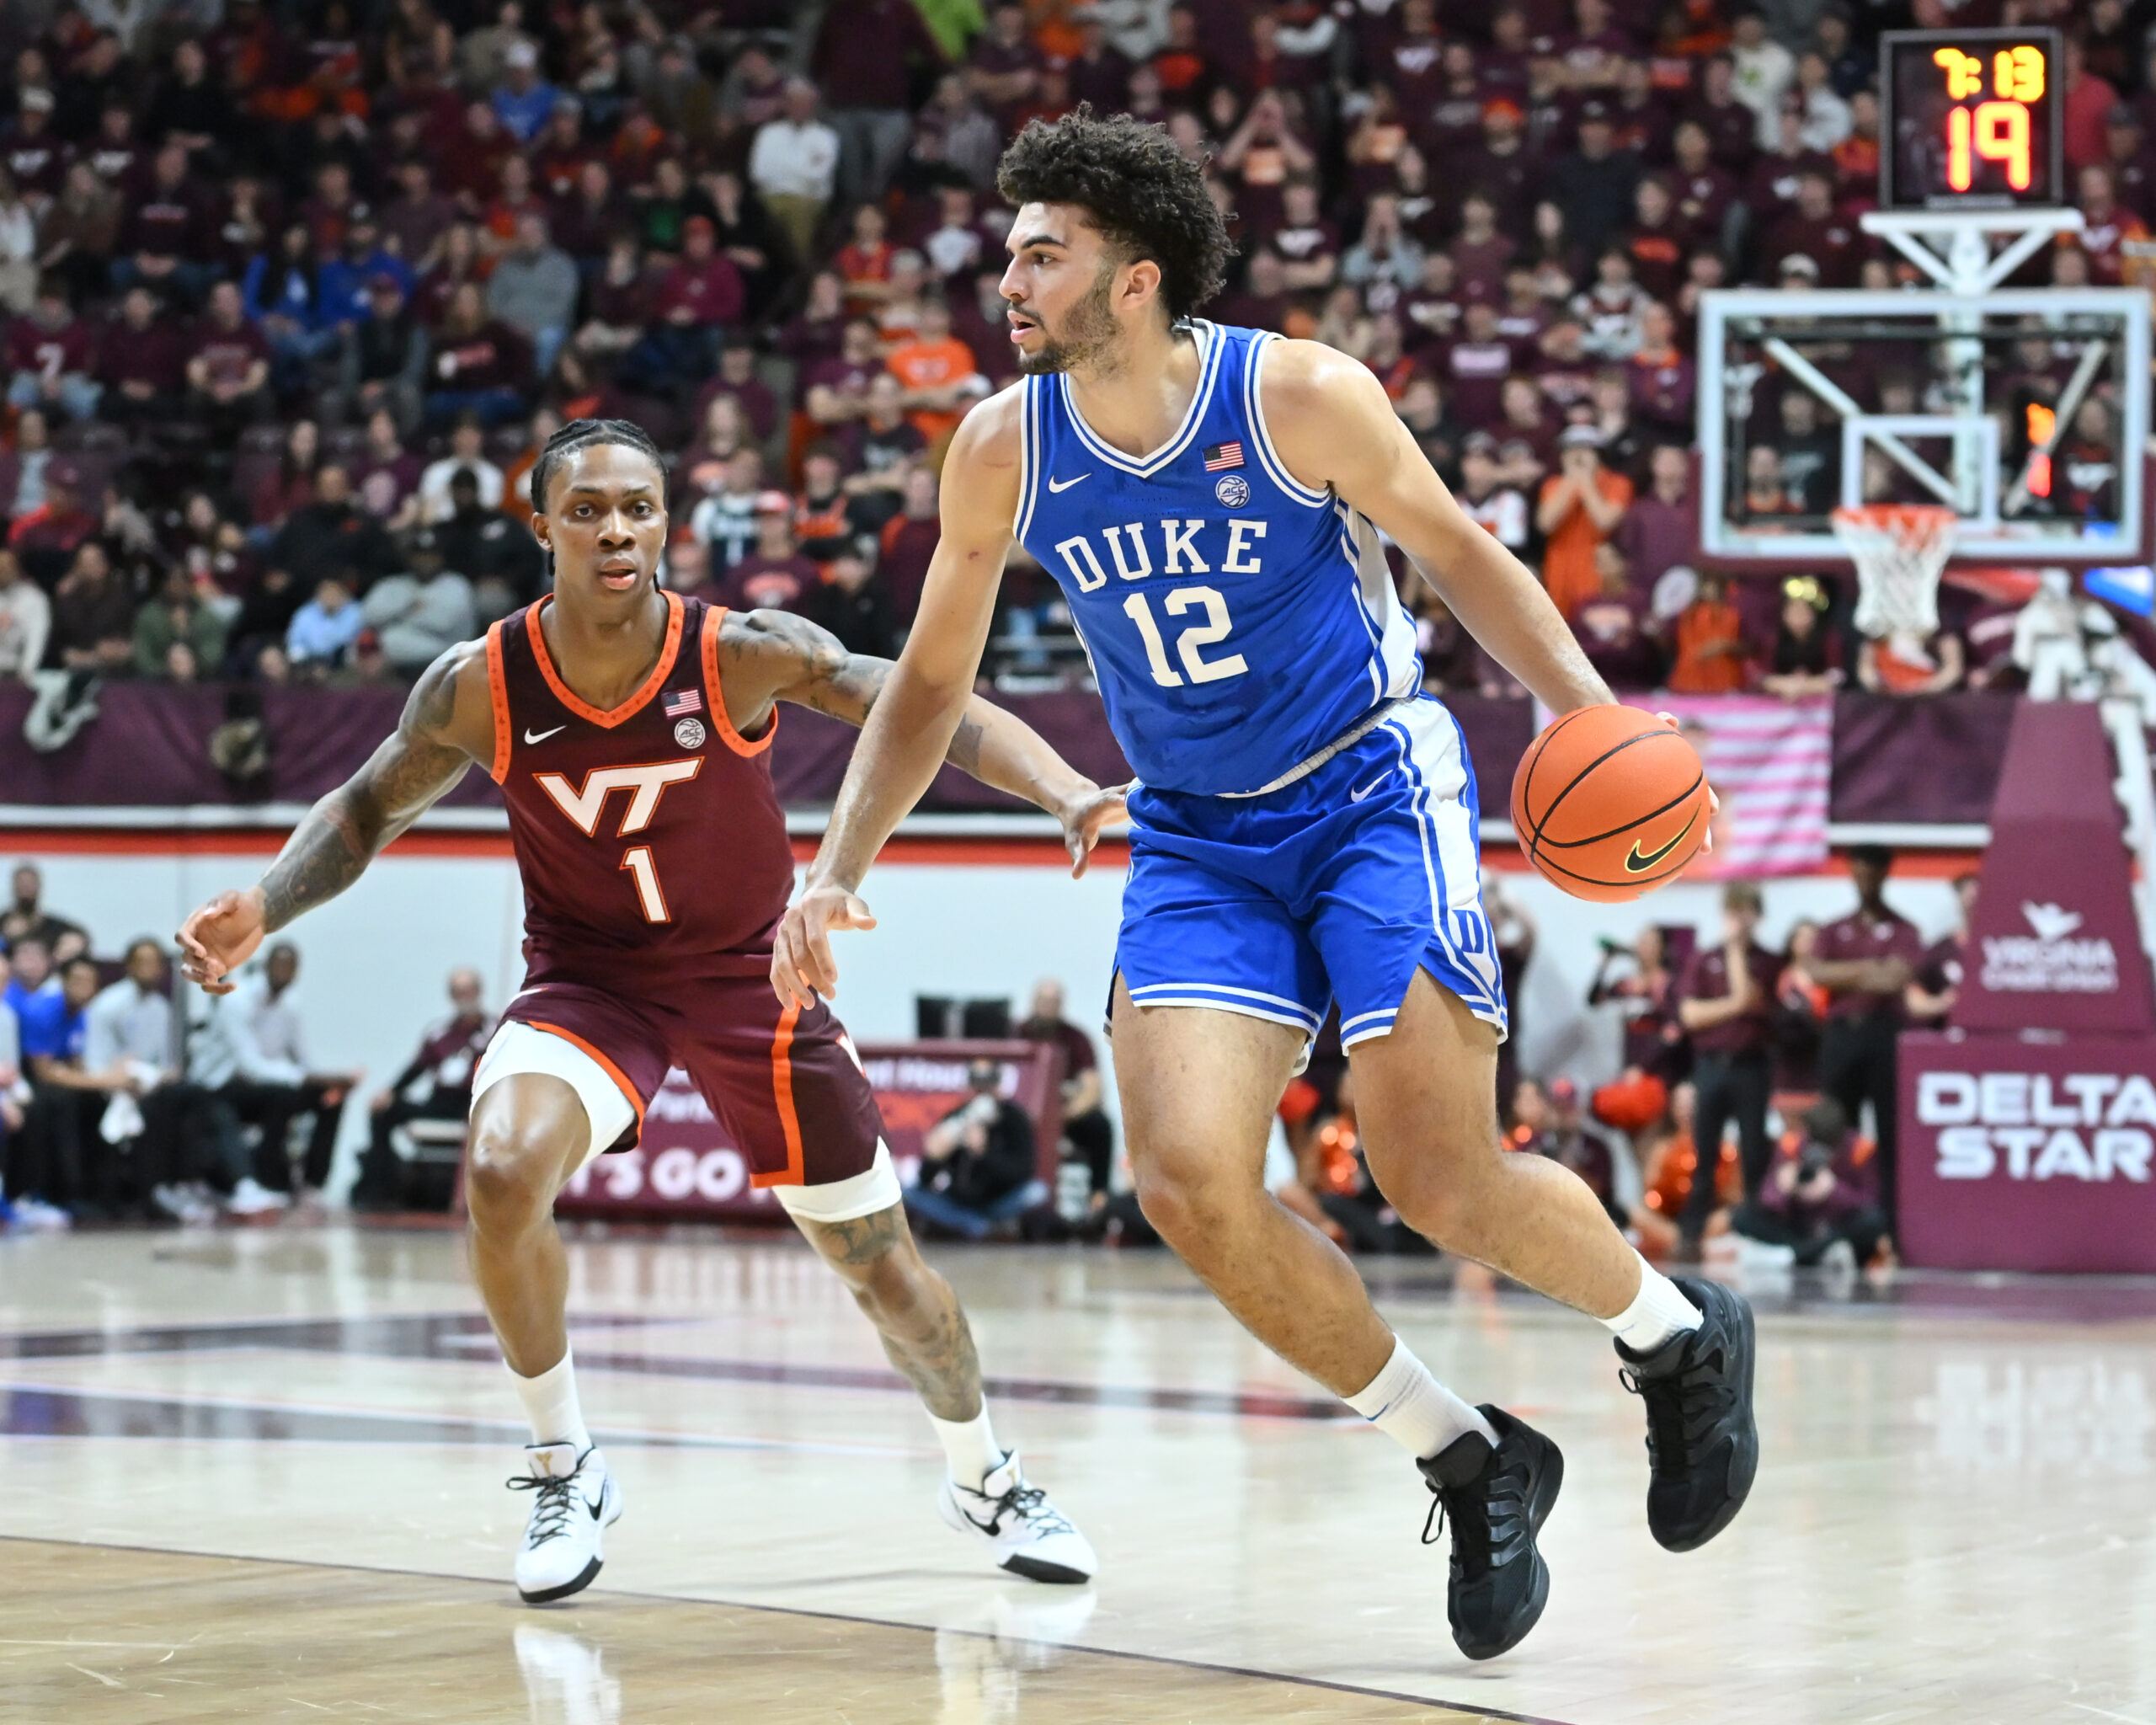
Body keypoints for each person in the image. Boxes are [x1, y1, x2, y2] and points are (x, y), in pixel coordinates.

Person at [771, 109, 1757, 1663]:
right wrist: (830, 869)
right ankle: (1467, 1451)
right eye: (1011, 246)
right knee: (1183, 1179)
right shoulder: (1002, 446)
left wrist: (1587, 706)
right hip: (1194, 831)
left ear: (1140, 277)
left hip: (1371, 786)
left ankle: (1677, 1334)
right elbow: (925, 685)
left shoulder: (1294, 392)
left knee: (1433, 1174)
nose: (1007, 276)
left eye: (1045, 252)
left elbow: (1460, 551)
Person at [176, 416, 1114, 1609]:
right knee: (505, 1168)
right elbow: (365, 810)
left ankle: (984, 1471)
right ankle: (563, 1462)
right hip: (589, 981)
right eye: (588, 510)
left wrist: (1064, 785)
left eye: (639, 508)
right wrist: (265, 902)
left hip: (750, 979)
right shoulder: (479, 682)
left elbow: (919, 701)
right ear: (543, 530)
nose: (616, 529)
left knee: (888, 1275)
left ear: (668, 523)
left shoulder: (739, 652)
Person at [1798, 844, 1922, 1236]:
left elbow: (1896, 979)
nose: (1865, 879)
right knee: (1831, 1127)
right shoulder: (1834, 928)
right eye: (1859, 871)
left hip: (1884, 1035)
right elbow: (1815, 973)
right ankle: (1830, 1218)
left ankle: (1889, 1226)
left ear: (1886, 873)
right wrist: (1869, 968)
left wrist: (1843, 973)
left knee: (1891, 1131)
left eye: (1872, 871)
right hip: (1841, 1036)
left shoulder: (1903, 929)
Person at [189, 942, 359, 1208]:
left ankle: (312, 1183)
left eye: (290, 967)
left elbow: (303, 1060)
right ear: (265, 965)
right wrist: (305, 1079)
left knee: (330, 1097)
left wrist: (334, 1080)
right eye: (279, 965)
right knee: (283, 1095)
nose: (284, 972)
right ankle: (257, 1181)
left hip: (268, 1088)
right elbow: (251, 1066)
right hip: (221, 1086)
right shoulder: (236, 1000)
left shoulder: (291, 1006)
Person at [1673, 883, 1779, 1262]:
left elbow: (1752, 998)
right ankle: (1692, 1232)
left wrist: (1736, 954)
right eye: (1734, 911)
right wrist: (1734, 1005)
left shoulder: (1767, 961)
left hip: (1750, 1065)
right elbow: (1689, 1014)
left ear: (1758, 915)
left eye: (1747, 910)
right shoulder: (1704, 959)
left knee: (1753, 1150)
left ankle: (1754, 1227)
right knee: (1705, 1152)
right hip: (1711, 1065)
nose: (1740, 919)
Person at [355, 965, 495, 1210]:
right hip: (439, 1103)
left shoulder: (496, 1031)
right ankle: (381, 1189)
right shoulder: (439, 1033)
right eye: (458, 992)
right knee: (382, 1113)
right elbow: (416, 1068)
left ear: (479, 992)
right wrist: (389, 1092)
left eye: (469, 990)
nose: (465, 997)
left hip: (472, 1107)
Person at [1726, 1098, 1888, 1270]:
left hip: (1837, 1227)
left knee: (1874, 1221)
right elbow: (1766, 1200)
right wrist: (1784, 1189)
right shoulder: (1792, 1146)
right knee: (1742, 1217)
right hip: (1798, 1226)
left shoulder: (1859, 1149)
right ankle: (1815, 1253)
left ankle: (1796, 1255)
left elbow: (1870, 1202)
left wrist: (1834, 1191)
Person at [904, 1056, 1044, 1239]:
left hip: (999, 1200)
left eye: (987, 1086)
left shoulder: (1014, 1118)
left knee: (1035, 1192)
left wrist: (983, 1154)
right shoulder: (956, 1118)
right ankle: (977, 1227)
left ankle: (976, 1227)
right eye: (977, 1087)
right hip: (960, 1202)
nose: (982, 1094)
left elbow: (1023, 1172)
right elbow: (925, 1181)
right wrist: (934, 1158)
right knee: (909, 1193)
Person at [1017, 978, 1113, 1204]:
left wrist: (1062, 1116)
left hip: (1065, 1116)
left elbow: (1092, 1087)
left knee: (1100, 1126)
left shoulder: (1076, 1039)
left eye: (1055, 1001)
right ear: (1034, 1001)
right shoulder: (1017, 1033)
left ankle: (1098, 1197)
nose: (1050, 1005)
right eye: (1045, 1000)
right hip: (1021, 1116)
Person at [1906, 873, 1977, 1031]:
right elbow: (1912, 999)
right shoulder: (1940, 952)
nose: (1974, 905)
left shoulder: (2004, 950)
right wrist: (1941, 1004)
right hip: (1949, 1040)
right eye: (1969, 899)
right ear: (1959, 901)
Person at [2, 863, 88, 962]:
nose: (26, 888)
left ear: (39, 887)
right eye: (22, 884)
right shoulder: (3, 923)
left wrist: (73, 944)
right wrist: (5, 939)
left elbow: (79, 938)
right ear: (14, 887)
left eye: (30, 884)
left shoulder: (53, 926)